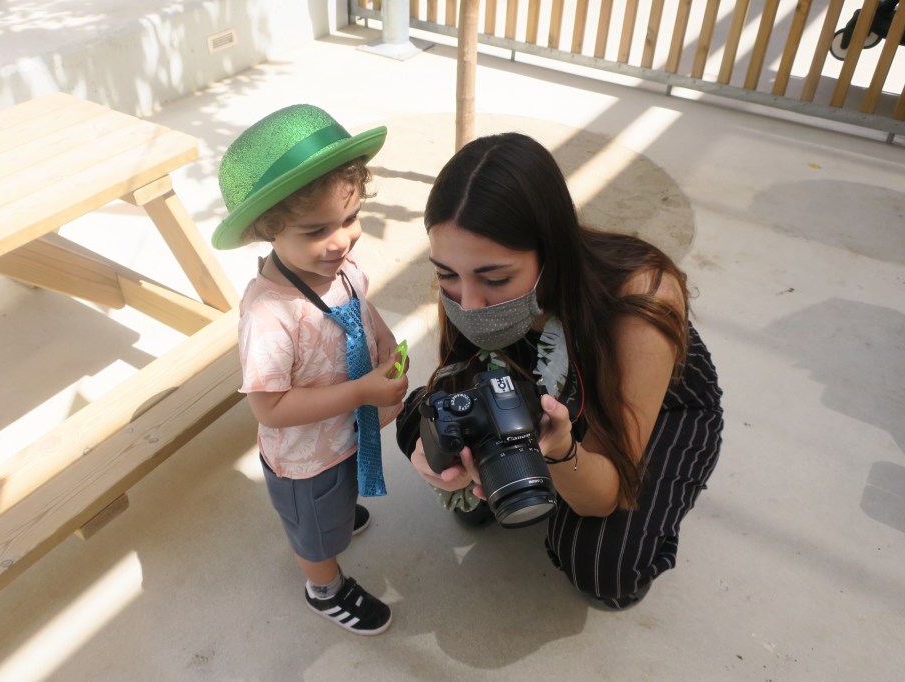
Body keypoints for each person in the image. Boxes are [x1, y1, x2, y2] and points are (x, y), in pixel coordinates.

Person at [396, 132, 723, 610]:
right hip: (535, 387)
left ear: (552, 252)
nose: (468, 303)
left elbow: (603, 497)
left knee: (604, 567)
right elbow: (457, 379)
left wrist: (558, 450)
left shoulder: (640, 296)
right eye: (446, 274)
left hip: (654, 406)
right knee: (418, 424)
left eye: (495, 278)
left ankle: (640, 518)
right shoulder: (470, 285)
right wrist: (438, 457)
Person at [213, 104, 409, 634]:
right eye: (317, 229)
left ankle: (337, 511)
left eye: (349, 218)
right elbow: (270, 408)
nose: (341, 240)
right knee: (316, 536)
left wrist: (384, 343)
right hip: (306, 460)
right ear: (267, 230)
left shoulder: (338, 267)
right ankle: (324, 588)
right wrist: (361, 392)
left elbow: (361, 306)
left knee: (337, 500)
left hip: (341, 436)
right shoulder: (270, 315)